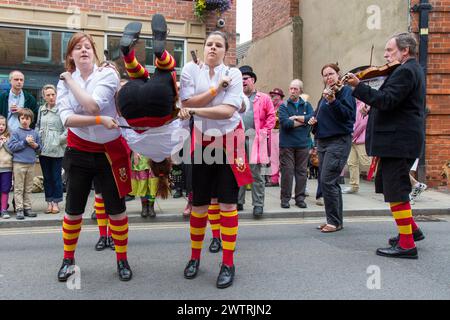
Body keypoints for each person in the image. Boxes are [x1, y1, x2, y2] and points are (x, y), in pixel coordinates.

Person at [56, 32, 132, 282]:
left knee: (117, 211)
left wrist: (69, 80)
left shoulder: (107, 74)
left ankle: (122, 259)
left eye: (88, 47)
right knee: (73, 210)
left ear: (95, 53)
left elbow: (92, 106)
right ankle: (68, 259)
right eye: (78, 48)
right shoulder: (63, 82)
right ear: (71, 55)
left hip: (109, 153)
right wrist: (98, 121)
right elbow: (67, 119)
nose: (84, 51)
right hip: (78, 151)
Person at [179, 31, 252, 289]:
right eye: (209, 43)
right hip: (201, 143)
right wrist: (205, 96)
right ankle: (194, 258)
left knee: (228, 205)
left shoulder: (231, 74)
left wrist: (194, 109)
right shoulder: (190, 69)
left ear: (225, 51)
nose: (212, 47)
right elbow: (184, 101)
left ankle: (228, 263)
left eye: (218, 45)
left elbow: (226, 112)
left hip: (229, 141)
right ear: (204, 46)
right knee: (198, 206)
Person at [346, 32, 426, 258]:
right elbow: (394, 102)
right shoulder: (409, 70)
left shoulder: (405, 71)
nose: (385, 55)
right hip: (398, 141)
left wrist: (359, 87)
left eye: (390, 50)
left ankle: (407, 245)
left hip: (398, 142)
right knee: (393, 188)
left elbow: (387, 100)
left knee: (397, 192)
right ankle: (412, 232)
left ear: (405, 51)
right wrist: (373, 105)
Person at [308, 63, 356, 232]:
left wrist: (334, 101)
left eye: (331, 74)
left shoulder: (346, 92)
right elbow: (319, 114)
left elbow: (348, 117)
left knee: (327, 180)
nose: (328, 77)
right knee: (329, 181)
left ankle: (334, 222)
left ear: (338, 74)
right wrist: (313, 121)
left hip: (338, 141)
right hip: (323, 141)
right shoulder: (325, 94)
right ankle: (334, 220)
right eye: (325, 75)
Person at [237, 65, 275, 217]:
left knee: (256, 174)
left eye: (245, 79)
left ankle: (258, 204)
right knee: (239, 172)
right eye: (240, 79)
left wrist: (263, 133)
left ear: (252, 80)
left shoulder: (264, 98)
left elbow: (271, 117)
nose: (242, 81)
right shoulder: (236, 97)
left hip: (256, 140)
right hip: (238, 139)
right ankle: (238, 201)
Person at [278, 79, 314, 209]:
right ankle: (285, 199)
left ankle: (300, 198)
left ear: (300, 91)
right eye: (291, 88)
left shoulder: (307, 105)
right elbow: (286, 124)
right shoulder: (284, 106)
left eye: (295, 89)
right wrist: (304, 121)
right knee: (287, 172)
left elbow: (313, 118)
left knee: (302, 172)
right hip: (287, 145)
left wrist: (295, 118)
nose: (292, 91)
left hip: (303, 144)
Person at [36, 84, 67, 214]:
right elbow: (37, 125)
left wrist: (57, 141)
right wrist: (37, 139)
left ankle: (56, 203)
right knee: (47, 178)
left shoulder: (62, 109)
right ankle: (49, 202)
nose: (51, 97)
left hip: (57, 150)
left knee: (56, 177)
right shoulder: (41, 110)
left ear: (56, 95)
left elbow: (68, 130)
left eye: (53, 94)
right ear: (44, 97)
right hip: (43, 149)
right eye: (48, 95)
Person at [7, 108, 41, 220]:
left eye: (27, 118)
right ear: (19, 119)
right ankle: (19, 209)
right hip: (18, 164)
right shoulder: (16, 132)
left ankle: (27, 208)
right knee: (18, 188)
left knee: (28, 187)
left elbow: (40, 149)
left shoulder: (34, 133)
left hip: (31, 163)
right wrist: (25, 142)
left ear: (31, 120)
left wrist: (35, 146)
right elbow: (11, 147)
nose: (24, 121)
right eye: (22, 118)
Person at [342, 99, 371, 194]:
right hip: (352, 139)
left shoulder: (363, 104)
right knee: (352, 163)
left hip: (360, 139)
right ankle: (354, 186)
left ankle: (397, 181)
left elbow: (362, 123)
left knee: (368, 163)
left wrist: (351, 134)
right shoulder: (352, 104)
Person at [266, 87, 285, 187]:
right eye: (272, 95)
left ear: (281, 97)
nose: (274, 97)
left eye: (276, 95)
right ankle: (274, 179)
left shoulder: (283, 106)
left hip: (281, 133)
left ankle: (281, 179)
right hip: (272, 133)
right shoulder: (271, 106)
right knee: (272, 157)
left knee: (281, 157)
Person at [130, 151, 158, 217]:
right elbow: (133, 140)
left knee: (153, 183)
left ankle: (151, 206)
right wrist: (135, 153)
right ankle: (144, 207)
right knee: (142, 183)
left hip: (153, 155)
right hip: (141, 156)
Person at [0, 116, 12, 219]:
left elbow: (12, 151)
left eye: (3, 124)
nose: (1, 126)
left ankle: (4, 209)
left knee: (5, 189)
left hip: (6, 167)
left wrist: (5, 143)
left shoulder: (9, 136)